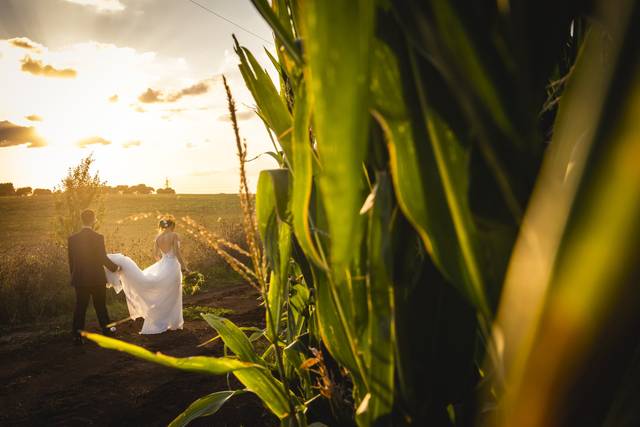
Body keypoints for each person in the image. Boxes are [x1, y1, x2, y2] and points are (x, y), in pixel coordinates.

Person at [104, 217, 188, 334]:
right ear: (171, 226)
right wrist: (184, 267)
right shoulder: (174, 236)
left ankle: (160, 320)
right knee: (173, 295)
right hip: (173, 266)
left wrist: (162, 264)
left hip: (164, 264)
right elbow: (177, 253)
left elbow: (156, 255)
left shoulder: (158, 238)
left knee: (164, 294)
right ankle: (172, 322)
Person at [68, 209, 120, 345]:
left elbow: (71, 261)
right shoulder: (98, 237)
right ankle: (107, 332)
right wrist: (115, 268)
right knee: (100, 306)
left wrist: (74, 276)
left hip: (80, 279)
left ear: (81, 220)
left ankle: (76, 336)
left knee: (80, 307)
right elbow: (102, 257)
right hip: (97, 278)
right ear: (93, 220)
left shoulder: (72, 239)